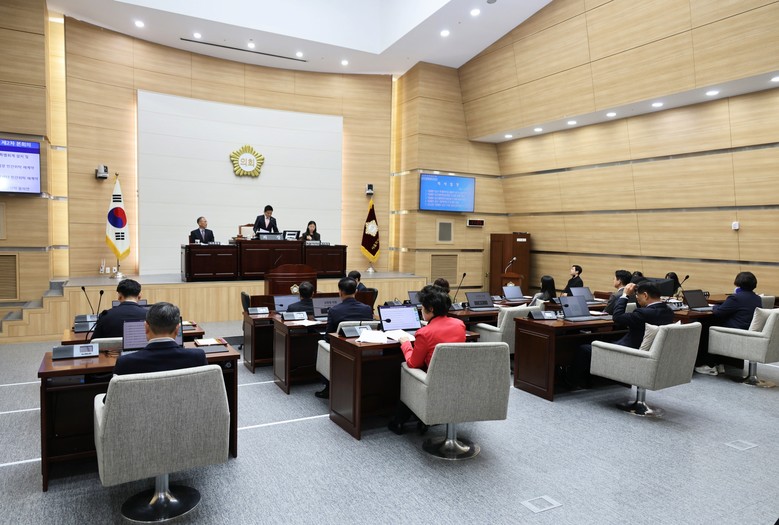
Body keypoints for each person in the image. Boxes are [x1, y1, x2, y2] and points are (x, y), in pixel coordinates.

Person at [389, 285, 466, 434]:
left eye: (422, 307)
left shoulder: (424, 333)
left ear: (430, 309)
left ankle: (399, 420)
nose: (421, 310)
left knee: (408, 369)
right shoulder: (459, 325)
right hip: (458, 379)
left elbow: (413, 363)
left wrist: (405, 344)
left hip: (433, 382)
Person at [571, 280, 675, 387]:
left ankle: (574, 383)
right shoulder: (668, 311)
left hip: (628, 351)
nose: (636, 297)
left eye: (637, 295)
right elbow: (643, 313)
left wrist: (625, 295)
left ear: (645, 295)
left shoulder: (643, 313)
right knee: (604, 339)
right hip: (648, 351)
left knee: (583, 348)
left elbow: (617, 317)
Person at [315, 277, 373, 399]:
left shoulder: (334, 310)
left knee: (321, 343)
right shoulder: (367, 309)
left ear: (340, 292)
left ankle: (328, 387)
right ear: (356, 291)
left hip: (341, 351)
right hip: (363, 348)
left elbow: (328, 336)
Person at [695, 272, 762, 375]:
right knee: (711, 323)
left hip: (734, 331)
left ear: (738, 283)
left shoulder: (736, 298)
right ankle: (720, 363)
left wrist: (714, 307)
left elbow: (719, 312)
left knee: (705, 326)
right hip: (747, 330)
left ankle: (708, 365)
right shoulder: (757, 298)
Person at [113, 302, 206, 375]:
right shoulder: (198, 357)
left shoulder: (125, 362)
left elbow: (114, 394)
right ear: (177, 329)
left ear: (146, 327)